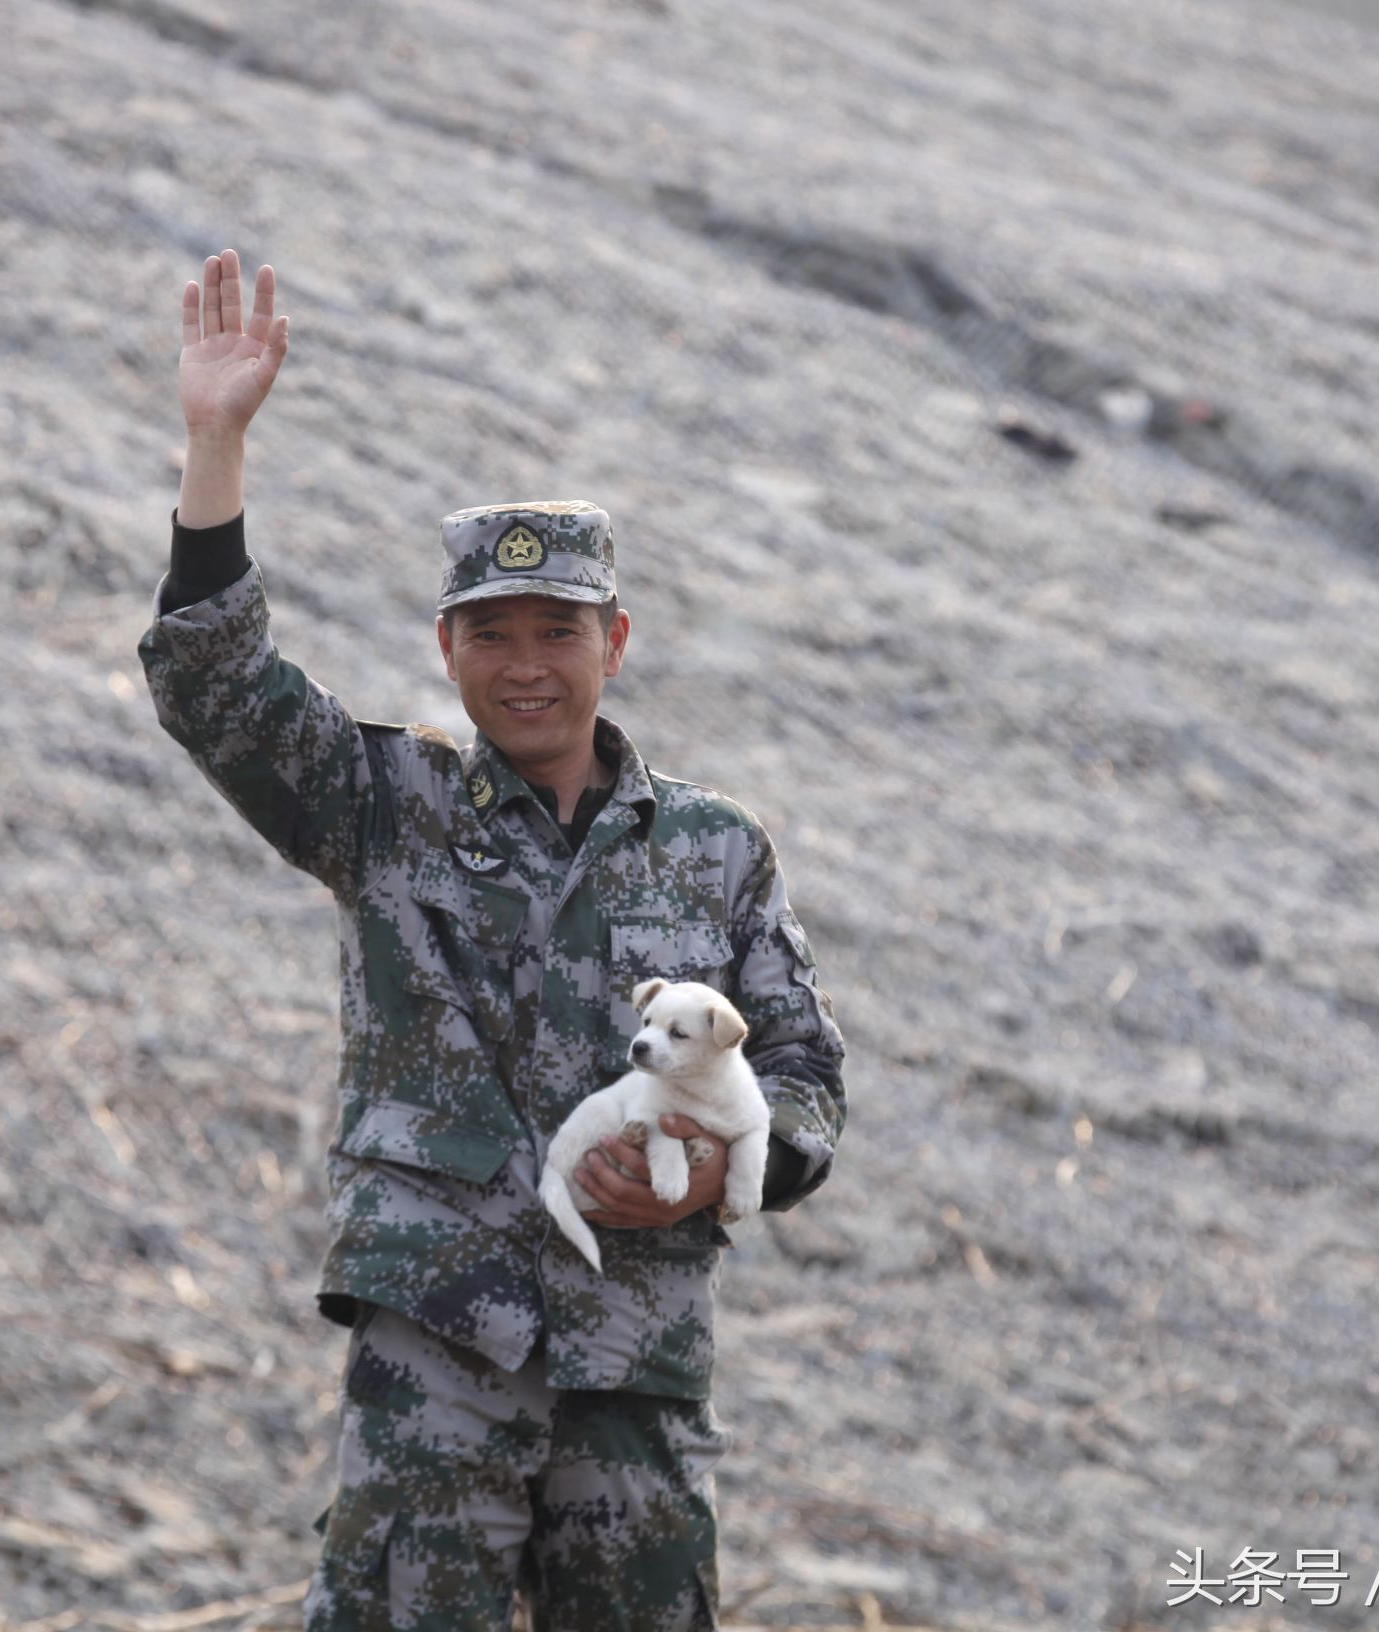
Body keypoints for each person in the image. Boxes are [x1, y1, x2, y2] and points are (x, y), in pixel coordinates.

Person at [139, 248, 847, 1632]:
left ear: (614, 642)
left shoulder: (717, 849)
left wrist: (721, 1171)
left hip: (634, 1357)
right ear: (447, 649)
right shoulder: (380, 804)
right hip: (437, 1351)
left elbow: (806, 1071)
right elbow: (214, 683)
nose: (527, 664)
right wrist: (215, 444)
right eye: (492, 633)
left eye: (557, 631)